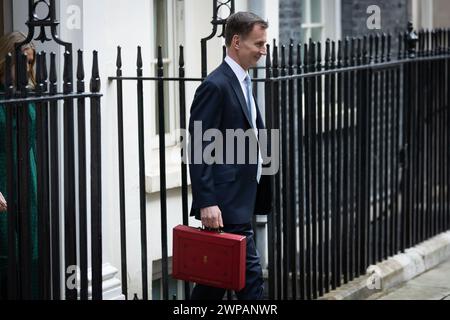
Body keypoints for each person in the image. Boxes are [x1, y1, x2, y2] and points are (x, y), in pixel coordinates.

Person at [188, 12, 272, 300]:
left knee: (214, 283)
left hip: (242, 200)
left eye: (265, 45)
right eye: (258, 44)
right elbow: (199, 146)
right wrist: (207, 201)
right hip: (225, 205)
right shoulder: (216, 85)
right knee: (251, 284)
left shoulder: (244, 82)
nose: (263, 51)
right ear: (236, 41)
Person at [0, 31, 38, 299]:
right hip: (2, 184)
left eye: (30, 62)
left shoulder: (28, 95)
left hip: (29, 182)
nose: (27, 68)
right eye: (23, 61)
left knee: (30, 254)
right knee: (6, 257)